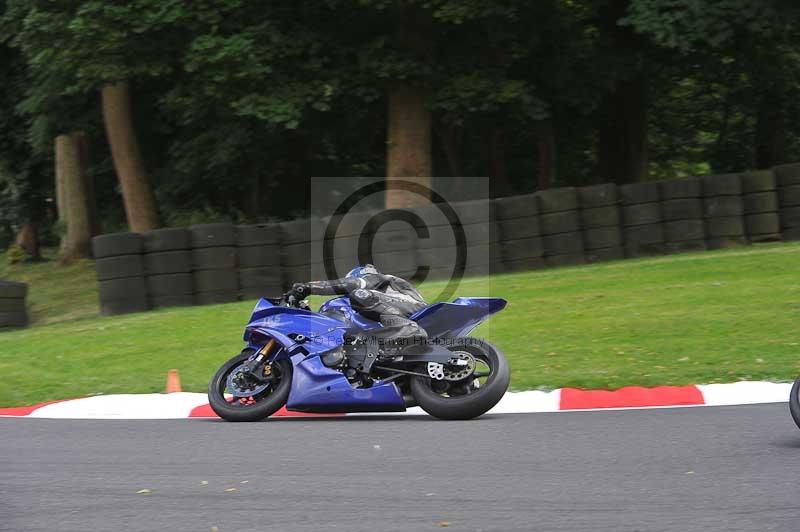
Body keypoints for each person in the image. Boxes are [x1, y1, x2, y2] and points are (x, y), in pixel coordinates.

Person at [288, 264, 428, 347]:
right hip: (403, 314)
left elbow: (351, 285)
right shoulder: (379, 305)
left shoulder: (376, 278)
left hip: (415, 310)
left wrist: (307, 287)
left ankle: (408, 329)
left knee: (359, 295)